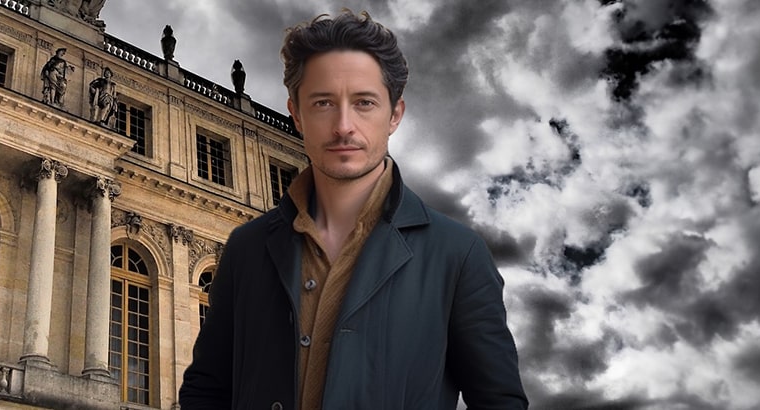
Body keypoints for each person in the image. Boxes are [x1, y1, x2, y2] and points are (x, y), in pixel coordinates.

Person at [178, 9, 527, 410]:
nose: (344, 126)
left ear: (394, 114)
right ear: (296, 114)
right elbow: (207, 388)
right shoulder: (246, 247)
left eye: (364, 102)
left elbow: (499, 401)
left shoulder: (457, 254)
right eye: (323, 103)